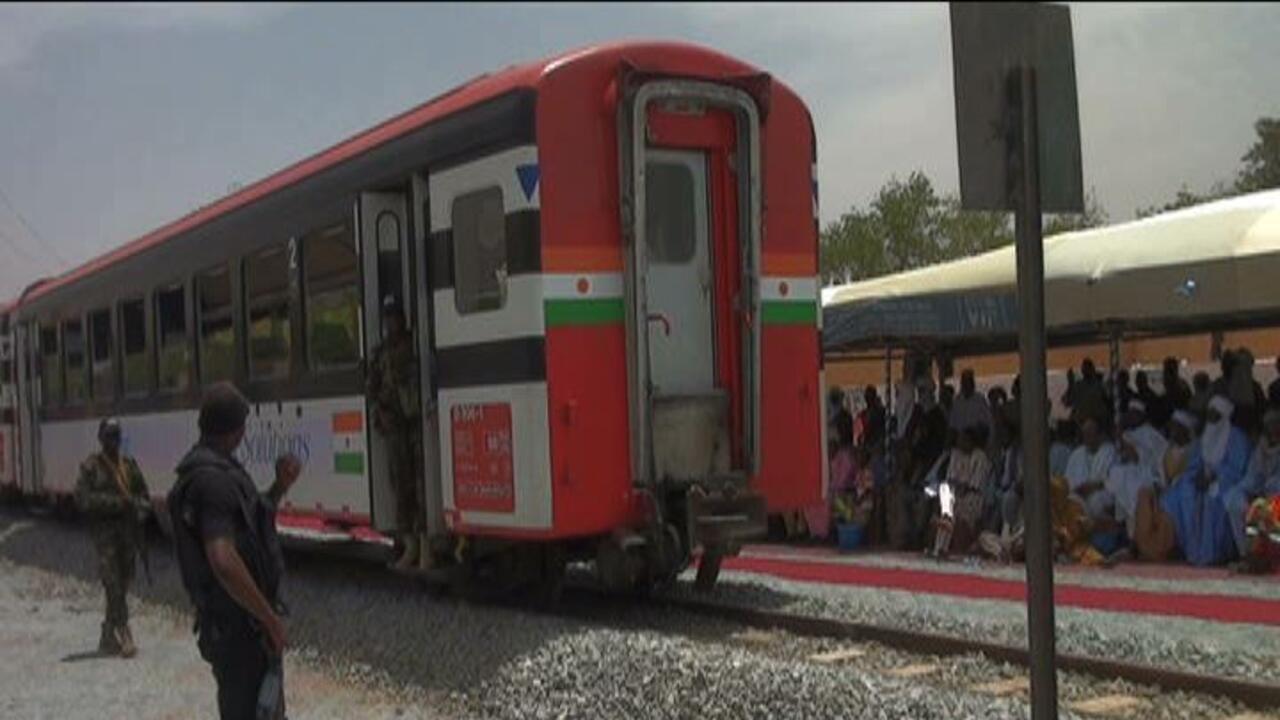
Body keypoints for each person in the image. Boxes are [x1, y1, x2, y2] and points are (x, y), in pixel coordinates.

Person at [168, 383, 302, 720]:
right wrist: (269, 620)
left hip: (243, 627)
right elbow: (224, 560)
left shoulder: (217, 471)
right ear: (236, 430)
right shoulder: (211, 482)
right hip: (239, 629)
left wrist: (278, 488)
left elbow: (250, 531)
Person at [75, 417, 151, 658]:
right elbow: (83, 499)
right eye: (109, 436)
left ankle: (107, 634)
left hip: (128, 535)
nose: (113, 441)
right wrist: (118, 504)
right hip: (105, 536)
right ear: (100, 439)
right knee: (113, 584)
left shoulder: (129, 466)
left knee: (124, 581)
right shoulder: (92, 467)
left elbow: (144, 496)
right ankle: (124, 632)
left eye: (117, 436)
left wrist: (139, 508)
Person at [366, 295, 427, 572]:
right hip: (395, 430)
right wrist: (382, 412)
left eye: (396, 316)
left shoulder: (414, 345)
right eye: (388, 317)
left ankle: (425, 546)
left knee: (420, 485)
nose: (392, 322)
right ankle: (411, 545)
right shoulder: (380, 354)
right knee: (401, 487)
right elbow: (372, 389)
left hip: (416, 427)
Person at [1161, 396, 1254, 566]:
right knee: (1184, 494)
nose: (1211, 419)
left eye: (1215, 415)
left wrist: (1214, 476)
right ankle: (1192, 551)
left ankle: (1216, 554)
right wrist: (1197, 477)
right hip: (1203, 480)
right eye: (1209, 415)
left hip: (1227, 482)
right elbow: (1196, 463)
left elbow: (1238, 469)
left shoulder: (1237, 438)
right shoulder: (1205, 437)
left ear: (1224, 416)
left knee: (1213, 497)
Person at [1224, 409, 1280, 561]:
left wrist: (1266, 491)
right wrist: (1249, 490)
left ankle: (1272, 556)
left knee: (1269, 508)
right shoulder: (1261, 448)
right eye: (1269, 425)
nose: (1272, 428)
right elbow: (1252, 475)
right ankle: (1247, 553)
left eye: (1275, 424)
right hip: (1259, 493)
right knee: (1234, 501)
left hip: (1275, 494)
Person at [929, 426, 991, 557]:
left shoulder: (980, 457)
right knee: (946, 505)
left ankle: (941, 548)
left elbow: (973, 486)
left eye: (963, 439)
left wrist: (959, 488)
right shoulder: (956, 454)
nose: (960, 442)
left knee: (949, 509)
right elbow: (950, 480)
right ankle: (939, 548)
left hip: (973, 499)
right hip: (957, 496)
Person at [1063, 417, 1117, 524]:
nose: (1086, 437)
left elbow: (1115, 480)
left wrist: (1095, 486)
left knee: (1097, 501)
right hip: (1078, 495)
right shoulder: (1076, 454)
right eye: (1085, 434)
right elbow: (1067, 481)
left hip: (1101, 494)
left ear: (1099, 435)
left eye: (1090, 434)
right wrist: (1078, 490)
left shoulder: (1110, 452)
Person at [1063, 358, 1109, 430]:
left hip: (1097, 421)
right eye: (1084, 369)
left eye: (1088, 368)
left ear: (1092, 370)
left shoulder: (1100, 385)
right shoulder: (1078, 386)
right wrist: (1070, 384)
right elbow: (1067, 402)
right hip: (1081, 422)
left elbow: (1107, 400)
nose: (1086, 371)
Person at [948, 369, 993, 441]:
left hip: (977, 440)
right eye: (964, 382)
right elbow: (952, 424)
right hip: (960, 441)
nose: (966, 384)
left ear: (973, 383)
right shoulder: (957, 401)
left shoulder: (980, 400)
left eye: (968, 381)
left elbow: (987, 422)